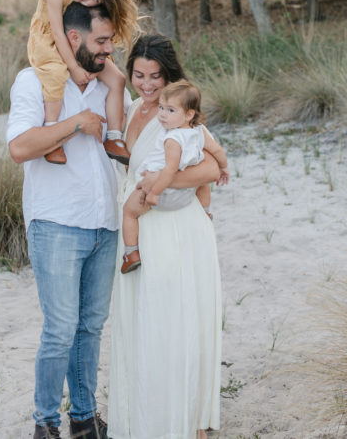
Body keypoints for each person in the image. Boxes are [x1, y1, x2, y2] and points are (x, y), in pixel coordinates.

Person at [8, 2, 131, 439]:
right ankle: (45, 424)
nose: (108, 50)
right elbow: (21, 147)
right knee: (60, 330)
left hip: (104, 222)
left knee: (90, 327)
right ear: (73, 39)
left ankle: (83, 418)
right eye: (101, 41)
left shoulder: (108, 83)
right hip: (57, 222)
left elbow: (130, 136)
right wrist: (76, 123)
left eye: (111, 41)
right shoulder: (33, 81)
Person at [109, 35, 224, 439]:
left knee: (173, 324)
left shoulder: (179, 112)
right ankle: (148, 419)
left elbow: (211, 169)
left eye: (155, 76)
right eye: (138, 74)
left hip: (174, 228)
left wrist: (158, 183)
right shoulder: (135, 107)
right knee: (144, 325)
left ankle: (185, 422)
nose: (146, 84)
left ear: (168, 74)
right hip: (140, 226)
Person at [27, 0, 139, 166]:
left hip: (75, 42)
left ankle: (114, 138)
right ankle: (52, 138)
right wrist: (75, 68)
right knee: (55, 76)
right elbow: (58, 34)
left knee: (117, 79)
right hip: (49, 40)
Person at [120, 80, 230, 274]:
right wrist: (224, 167)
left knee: (129, 211)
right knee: (202, 184)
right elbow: (217, 150)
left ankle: (131, 253)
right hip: (188, 194)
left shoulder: (172, 138)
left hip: (162, 193)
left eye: (170, 110)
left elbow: (169, 171)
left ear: (189, 114)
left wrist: (154, 193)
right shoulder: (198, 132)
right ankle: (205, 212)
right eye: (161, 107)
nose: (162, 114)